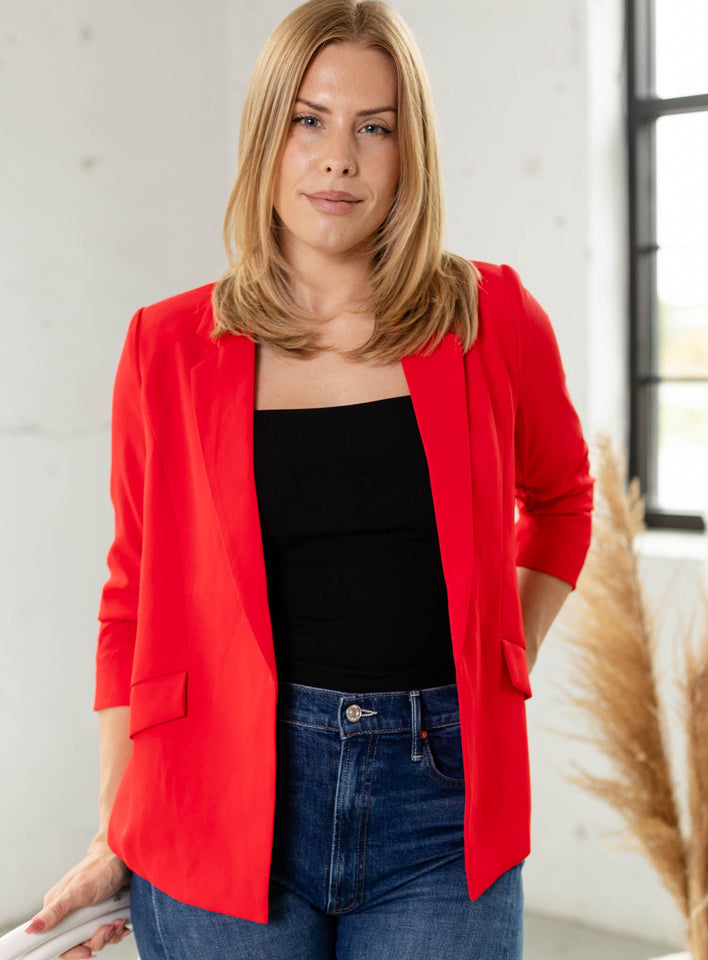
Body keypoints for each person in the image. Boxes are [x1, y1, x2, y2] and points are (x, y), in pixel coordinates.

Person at [26, 0, 595, 957]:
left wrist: (506, 657)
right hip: (212, 794)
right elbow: (130, 603)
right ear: (266, 138)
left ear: (409, 151)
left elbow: (562, 500)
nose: (341, 158)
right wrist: (111, 829)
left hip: (441, 806)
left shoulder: (491, 316)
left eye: (375, 127)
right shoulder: (164, 345)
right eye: (309, 118)